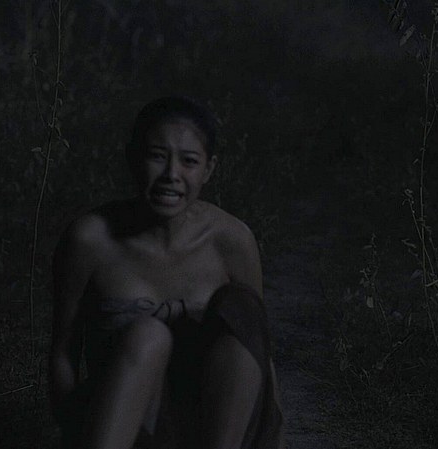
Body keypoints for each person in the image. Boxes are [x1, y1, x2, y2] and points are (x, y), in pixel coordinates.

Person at [49, 97, 283, 449]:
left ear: (208, 169)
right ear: (133, 158)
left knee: (242, 306)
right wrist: (71, 432)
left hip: (205, 428)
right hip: (120, 424)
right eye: (157, 156)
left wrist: (276, 438)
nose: (172, 175)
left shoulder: (232, 240)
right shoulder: (90, 239)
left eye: (189, 161)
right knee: (149, 335)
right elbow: (63, 352)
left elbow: (258, 351)